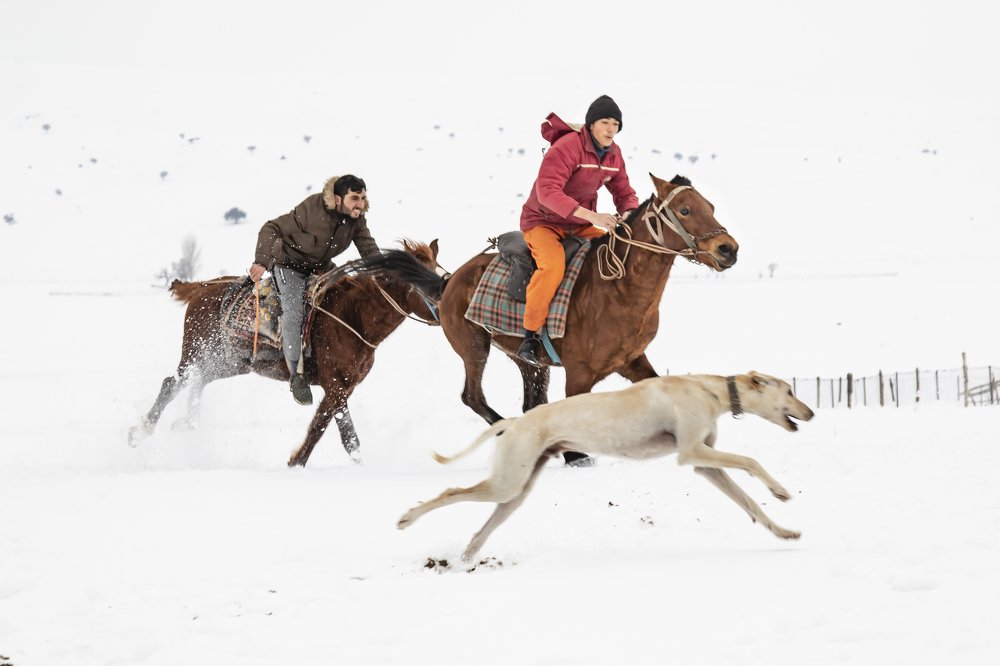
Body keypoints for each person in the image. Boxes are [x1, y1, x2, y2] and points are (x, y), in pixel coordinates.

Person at [517, 95, 639, 367]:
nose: (610, 129)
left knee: (615, 255)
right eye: (605, 122)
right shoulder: (567, 147)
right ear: (591, 124)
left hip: (578, 225)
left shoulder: (614, 154)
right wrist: (594, 216)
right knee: (552, 268)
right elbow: (547, 192)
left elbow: (624, 192)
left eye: (615, 124)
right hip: (542, 222)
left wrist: (629, 212)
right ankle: (531, 336)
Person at [249, 175, 379, 406]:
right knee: (293, 311)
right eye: (355, 198)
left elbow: (368, 248)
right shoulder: (312, 209)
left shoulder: (356, 220)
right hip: (290, 266)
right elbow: (272, 228)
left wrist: (384, 271)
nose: (360, 203)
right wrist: (261, 261)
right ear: (337, 199)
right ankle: (296, 375)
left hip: (322, 268)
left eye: (363, 198)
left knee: (347, 298)